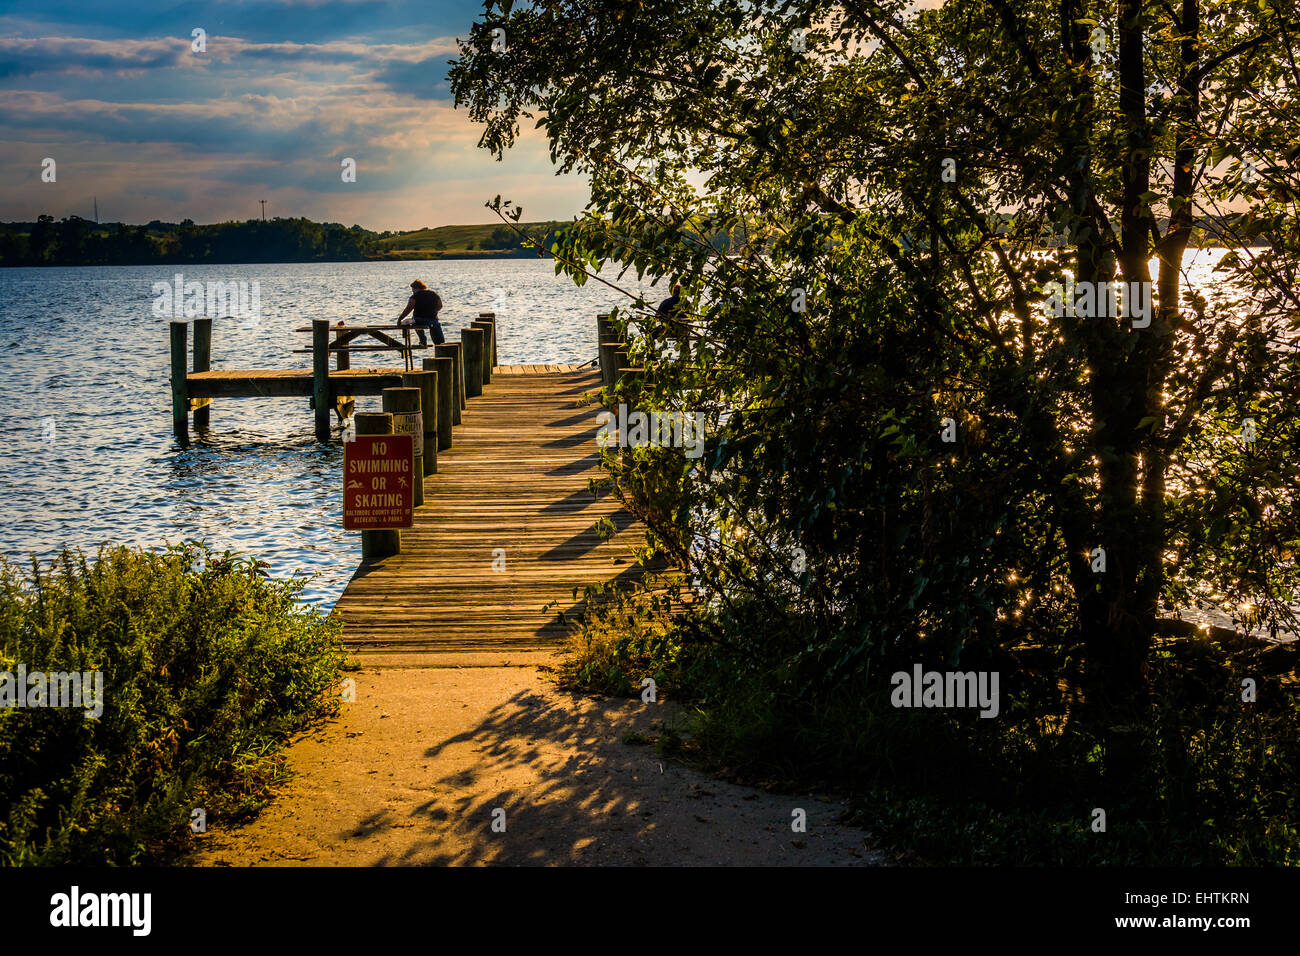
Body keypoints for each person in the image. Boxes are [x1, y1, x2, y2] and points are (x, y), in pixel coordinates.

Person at [397, 279, 445, 347]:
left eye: (413, 289)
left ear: (416, 288)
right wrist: (434, 312)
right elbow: (440, 306)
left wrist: (400, 319)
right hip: (432, 320)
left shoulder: (414, 297)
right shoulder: (433, 294)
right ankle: (440, 345)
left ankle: (423, 340)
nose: (412, 291)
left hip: (419, 319)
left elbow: (408, 309)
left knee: (413, 321)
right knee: (436, 327)